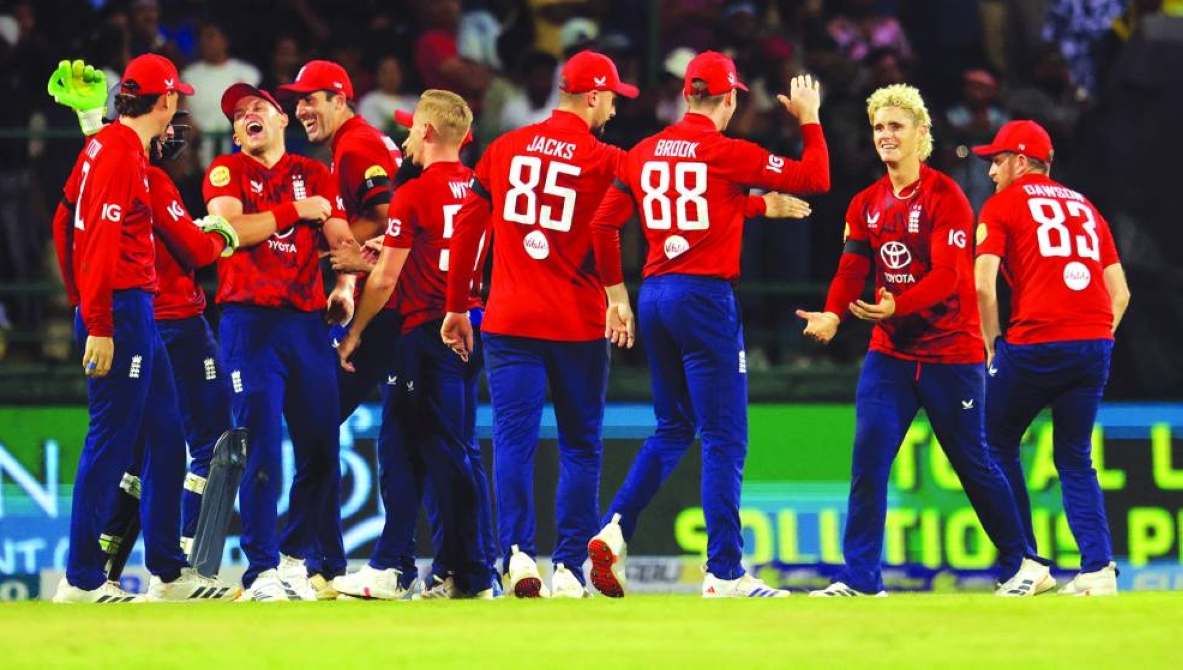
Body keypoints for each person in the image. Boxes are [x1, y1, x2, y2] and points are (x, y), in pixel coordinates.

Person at [587, 52, 830, 599]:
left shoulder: (644, 151)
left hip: (654, 296)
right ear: (730, 99)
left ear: (686, 95)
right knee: (724, 435)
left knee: (673, 428)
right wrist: (810, 117)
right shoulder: (727, 152)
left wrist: (615, 296)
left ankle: (614, 529)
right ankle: (723, 571)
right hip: (704, 297)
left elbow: (607, 223)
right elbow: (816, 176)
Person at [795, 83, 1052, 598]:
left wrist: (897, 304)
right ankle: (862, 579)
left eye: (896, 126)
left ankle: (1025, 563)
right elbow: (852, 267)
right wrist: (831, 313)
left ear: (921, 134)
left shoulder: (946, 197)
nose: (885, 136)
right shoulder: (866, 202)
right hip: (890, 354)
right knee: (868, 457)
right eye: (878, 128)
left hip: (950, 354)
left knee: (972, 462)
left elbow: (949, 277)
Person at [441, 50, 637, 598]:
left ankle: (518, 556)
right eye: (613, 98)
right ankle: (570, 567)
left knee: (513, 442)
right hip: (575, 321)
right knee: (580, 446)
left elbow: (466, 233)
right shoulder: (608, 160)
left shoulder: (503, 148)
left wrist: (457, 305)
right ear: (593, 95)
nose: (614, 110)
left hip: (508, 320)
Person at [50, 54, 232, 602]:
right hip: (123, 311)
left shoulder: (102, 146)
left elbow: (64, 220)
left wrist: (80, 301)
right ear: (168, 100)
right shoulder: (122, 156)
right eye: (177, 97)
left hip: (129, 309)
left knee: (163, 436)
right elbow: (99, 242)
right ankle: (81, 579)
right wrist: (98, 320)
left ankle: (169, 575)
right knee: (109, 440)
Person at [333, 90, 493, 600]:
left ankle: (435, 570)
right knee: (452, 448)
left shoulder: (415, 192)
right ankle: (453, 567)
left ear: (426, 133)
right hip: (471, 323)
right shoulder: (479, 188)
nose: (404, 137)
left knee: (416, 448)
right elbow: (447, 249)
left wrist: (355, 330)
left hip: (426, 331)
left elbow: (384, 282)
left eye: (410, 127)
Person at [203, 82, 357, 602]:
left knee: (321, 447)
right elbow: (226, 228)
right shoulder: (227, 171)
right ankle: (261, 570)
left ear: (281, 118)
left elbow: (340, 240)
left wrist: (348, 280)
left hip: (305, 325)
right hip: (249, 324)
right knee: (260, 445)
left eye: (257, 107)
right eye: (238, 113)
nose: (247, 115)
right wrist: (296, 212)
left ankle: (295, 560)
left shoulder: (315, 175)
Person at [973, 120, 1131, 596]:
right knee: (1075, 458)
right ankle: (1098, 569)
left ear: (1022, 161)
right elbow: (1119, 293)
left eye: (998, 161)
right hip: (1093, 344)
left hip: (1037, 342)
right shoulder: (1086, 206)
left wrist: (992, 346)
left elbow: (983, 283)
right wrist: (1094, 338)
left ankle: (1027, 561)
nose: (992, 172)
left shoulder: (1003, 204)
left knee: (993, 442)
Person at [278, 59, 405, 597]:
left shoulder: (355, 146)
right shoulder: (355, 143)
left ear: (341, 97)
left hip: (386, 307)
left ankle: (292, 556)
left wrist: (331, 253)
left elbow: (384, 213)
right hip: (395, 302)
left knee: (315, 421)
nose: (301, 108)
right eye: (298, 100)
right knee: (324, 424)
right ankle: (325, 562)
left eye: (313, 98)